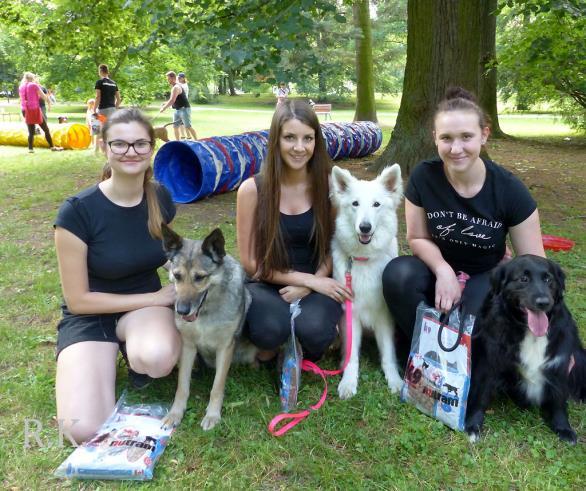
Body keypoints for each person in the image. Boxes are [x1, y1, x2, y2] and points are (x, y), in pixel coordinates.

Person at [382, 87, 545, 351]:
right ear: (435, 138)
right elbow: (417, 237)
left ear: (484, 135)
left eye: (466, 137)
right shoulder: (424, 177)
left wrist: (553, 332)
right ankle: (423, 352)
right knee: (398, 273)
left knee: (473, 322)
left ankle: (459, 353)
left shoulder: (509, 190)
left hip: (485, 275)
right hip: (434, 271)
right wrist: (443, 270)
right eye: (446, 138)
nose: (456, 148)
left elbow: (536, 265)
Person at [54, 108, 181, 444]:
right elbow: (78, 300)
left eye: (140, 144)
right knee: (81, 429)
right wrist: (156, 298)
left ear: (151, 148)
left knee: (156, 357)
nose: (131, 152)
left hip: (142, 313)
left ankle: (134, 353)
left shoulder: (160, 198)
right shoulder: (77, 211)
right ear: (104, 146)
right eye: (120, 144)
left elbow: (161, 252)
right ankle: (101, 355)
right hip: (90, 316)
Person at [236, 99, 351, 363]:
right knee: (268, 331)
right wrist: (305, 281)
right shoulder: (251, 190)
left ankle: (319, 332)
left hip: (320, 277)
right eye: (290, 138)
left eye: (307, 139)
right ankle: (277, 343)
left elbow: (338, 244)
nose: (299, 148)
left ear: (316, 142)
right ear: (276, 140)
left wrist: (315, 283)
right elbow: (250, 263)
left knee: (315, 334)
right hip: (267, 281)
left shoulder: (329, 185)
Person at [18, 72, 62, 153]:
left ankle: (30, 149)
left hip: (25, 110)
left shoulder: (21, 87)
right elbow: (44, 97)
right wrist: (49, 102)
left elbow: (22, 99)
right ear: (32, 78)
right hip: (34, 109)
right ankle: (52, 147)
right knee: (46, 129)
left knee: (31, 131)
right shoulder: (34, 85)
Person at [159, 71, 197, 141]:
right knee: (175, 127)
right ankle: (177, 142)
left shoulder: (176, 87)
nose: (168, 81)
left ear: (173, 78)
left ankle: (197, 141)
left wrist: (164, 108)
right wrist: (165, 103)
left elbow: (172, 100)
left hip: (184, 109)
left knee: (188, 126)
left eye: (168, 79)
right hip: (177, 110)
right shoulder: (174, 87)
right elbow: (173, 99)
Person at [177, 72, 190, 140]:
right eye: (178, 77)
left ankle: (188, 136)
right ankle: (183, 136)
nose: (178, 79)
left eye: (180, 78)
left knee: (185, 122)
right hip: (181, 105)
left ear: (183, 78)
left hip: (184, 106)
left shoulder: (184, 85)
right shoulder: (180, 84)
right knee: (180, 122)